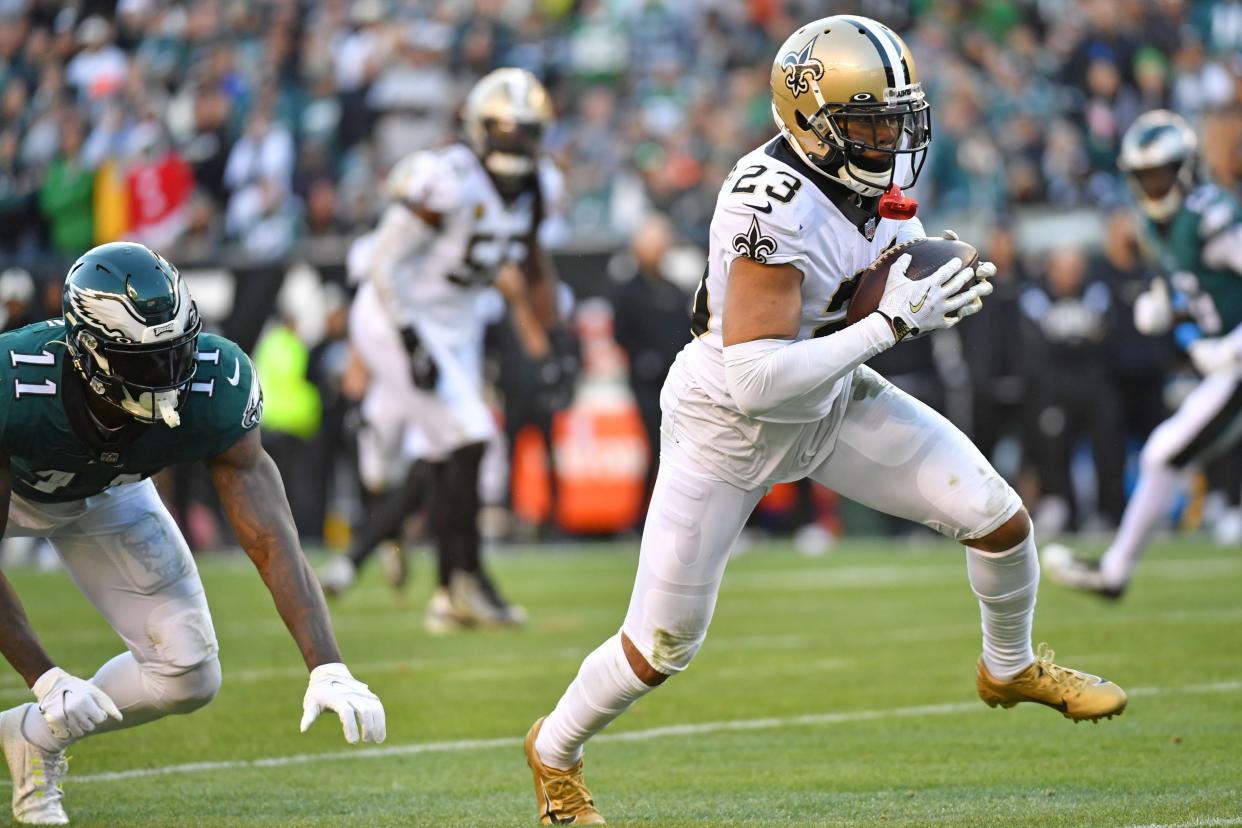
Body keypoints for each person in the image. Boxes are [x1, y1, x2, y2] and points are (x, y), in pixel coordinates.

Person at [523, 17, 1127, 825]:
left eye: (899, 118)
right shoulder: (768, 206)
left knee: (1000, 519)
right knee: (661, 646)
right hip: (728, 420)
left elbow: (869, 284)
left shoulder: (869, 179)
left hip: (831, 396)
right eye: (871, 122)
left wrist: (920, 287)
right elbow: (758, 376)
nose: (891, 138)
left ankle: (1009, 667)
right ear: (809, 122)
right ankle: (554, 753)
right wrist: (892, 327)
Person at [0, 243, 385, 826]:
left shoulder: (216, 379)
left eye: (176, 350)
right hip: (18, 490)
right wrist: (45, 676)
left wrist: (327, 666)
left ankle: (31, 737)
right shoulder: (16, 387)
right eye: (144, 360)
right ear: (86, 355)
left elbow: (271, 532)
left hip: (107, 489)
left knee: (187, 673)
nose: (170, 373)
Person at [320, 68, 569, 631]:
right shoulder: (447, 178)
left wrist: (552, 340)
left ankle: (446, 590)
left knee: (452, 451)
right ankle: (465, 580)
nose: (514, 143)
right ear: (477, 129)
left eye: (525, 132)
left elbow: (532, 264)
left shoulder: (538, 188)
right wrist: (408, 336)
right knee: (471, 434)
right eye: (503, 130)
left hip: (457, 325)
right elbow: (384, 261)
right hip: (393, 316)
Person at [1042, 109, 1242, 599]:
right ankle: (1114, 570)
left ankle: (1115, 571)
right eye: (1145, 175)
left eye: (1162, 173)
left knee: (1162, 454)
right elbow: (1199, 297)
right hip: (1227, 364)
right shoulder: (1161, 226)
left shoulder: (1209, 216)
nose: (1154, 184)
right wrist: (1178, 320)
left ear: (1186, 167)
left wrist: (1231, 347)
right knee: (1160, 455)